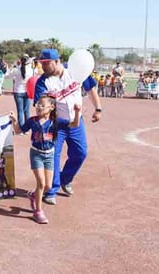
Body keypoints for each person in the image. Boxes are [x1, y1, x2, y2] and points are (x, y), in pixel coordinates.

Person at [34, 48, 102, 205]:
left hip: (76, 122)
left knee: (80, 153)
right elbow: (40, 104)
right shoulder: (43, 82)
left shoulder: (75, 70)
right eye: (41, 63)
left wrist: (98, 108)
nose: (43, 67)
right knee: (53, 156)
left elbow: (91, 88)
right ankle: (51, 191)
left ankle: (65, 179)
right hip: (56, 125)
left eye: (46, 63)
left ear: (57, 61)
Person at [10, 94, 81, 223]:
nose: (39, 107)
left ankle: (33, 195)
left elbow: (74, 125)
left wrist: (77, 112)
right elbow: (19, 130)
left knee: (48, 186)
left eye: (43, 105)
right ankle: (38, 211)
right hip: (36, 154)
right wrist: (15, 120)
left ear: (52, 107)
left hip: (49, 155)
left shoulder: (56, 122)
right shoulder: (33, 121)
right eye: (38, 105)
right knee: (41, 183)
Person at [4, 54, 34, 130]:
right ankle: (27, 128)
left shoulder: (16, 70)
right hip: (27, 92)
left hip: (18, 92)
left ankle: (21, 128)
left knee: (20, 111)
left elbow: (7, 76)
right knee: (27, 110)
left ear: (20, 61)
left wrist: (8, 68)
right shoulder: (31, 70)